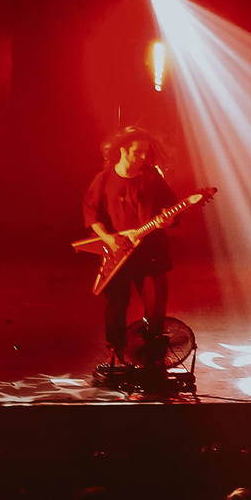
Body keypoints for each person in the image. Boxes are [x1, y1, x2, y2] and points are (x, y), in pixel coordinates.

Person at [82, 126, 188, 374]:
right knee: (116, 306)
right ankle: (118, 354)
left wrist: (168, 219)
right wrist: (109, 239)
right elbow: (91, 213)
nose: (143, 157)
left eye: (145, 152)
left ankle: (154, 359)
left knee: (156, 306)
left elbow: (171, 207)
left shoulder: (151, 177)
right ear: (122, 150)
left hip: (150, 253)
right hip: (118, 254)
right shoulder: (104, 179)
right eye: (137, 152)